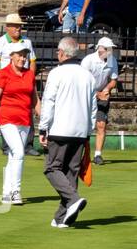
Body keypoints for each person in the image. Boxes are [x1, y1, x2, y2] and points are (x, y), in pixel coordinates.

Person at [38, 36, 97, 229]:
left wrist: (43, 127)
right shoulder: (88, 75)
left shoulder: (56, 73)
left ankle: (73, 199)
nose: (56, 54)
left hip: (60, 129)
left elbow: (49, 102)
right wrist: (89, 129)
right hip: (80, 131)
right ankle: (61, 218)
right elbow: (93, 107)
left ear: (63, 53)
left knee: (52, 168)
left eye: (57, 51)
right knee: (71, 172)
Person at [0, 43, 39, 206]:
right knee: (19, 152)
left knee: (13, 156)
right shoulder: (3, 74)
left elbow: (35, 100)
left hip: (25, 121)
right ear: (11, 56)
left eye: (25, 55)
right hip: (7, 119)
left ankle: (6, 193)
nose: (23, 58)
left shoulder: (30, 75)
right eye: (20, 55)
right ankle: (16, 191)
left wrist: (44, 121)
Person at [82, 36, 119, 164]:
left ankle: (98, 155)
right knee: (83, 127)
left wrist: (107, 89)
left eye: (111, 49)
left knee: (101, 125)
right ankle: (81, 154)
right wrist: (97, 94)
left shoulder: (112, 60)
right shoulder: (88, 61)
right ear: (100, 49)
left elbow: (113, 80)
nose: (110, 51)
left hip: (101, 95)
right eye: (108, 49)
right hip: (86, 96)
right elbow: (82, 83)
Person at [0, 13, 36, 78]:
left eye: (20, 26)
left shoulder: (27, 42)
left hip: (24, 78)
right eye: (15, 26)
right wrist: (4, 77)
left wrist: (30, 77)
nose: (18, 28)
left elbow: (32, 62)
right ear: (7, 27)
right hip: (6, 79)